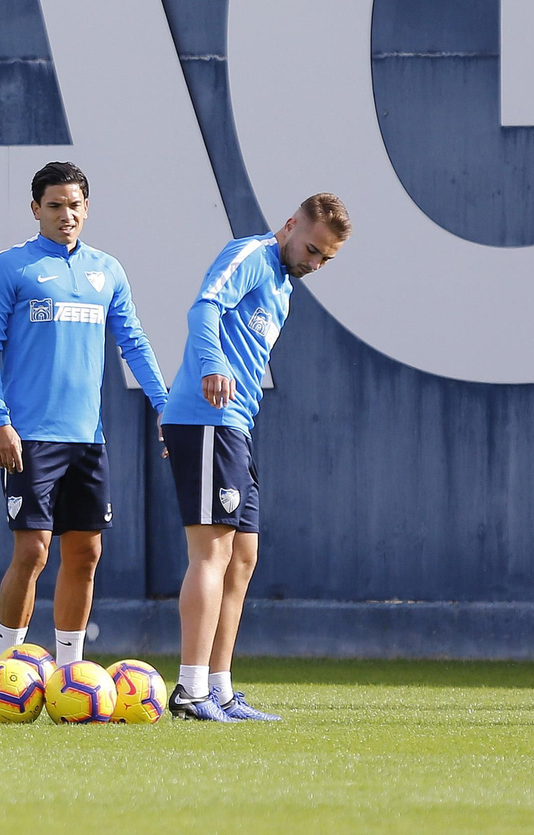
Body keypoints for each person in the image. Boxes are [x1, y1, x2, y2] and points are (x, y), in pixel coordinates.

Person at [162, 193, 351, 721]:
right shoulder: (250, 256)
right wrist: (210, 364)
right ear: (290, 224)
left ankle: (220, 688)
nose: (314, 264)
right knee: (211, 554)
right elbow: (203, 307)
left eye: (325, 259)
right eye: (312, 249)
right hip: (206, 419)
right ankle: (190, 690)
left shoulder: (284, 288)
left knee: (243, 558)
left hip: (235, 427)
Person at [0, 161, 168, 663]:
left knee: (85, 555)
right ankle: (6, 667)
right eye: (54, 206)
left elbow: (135, 343)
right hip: (30, 436)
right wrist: (0, 421)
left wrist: (165, 407)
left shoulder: (109, 270)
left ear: (87, 208)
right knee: (33, 551)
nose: (66, 215)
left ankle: (69, 671)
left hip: (88, 439)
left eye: (74, 205)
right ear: (35, 209)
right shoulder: (11, 266)